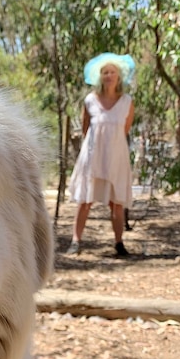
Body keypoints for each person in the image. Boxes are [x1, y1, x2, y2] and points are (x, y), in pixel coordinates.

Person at [67, 53, 136, 256]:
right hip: (93, 157)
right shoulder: (90, 100)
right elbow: (86, 128)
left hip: (116, 157)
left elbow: (125, 129)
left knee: (116, 203)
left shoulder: (127, 101)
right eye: (105, 72)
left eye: (112, 72)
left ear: (119, 76)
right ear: (100, 76)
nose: (109, 76)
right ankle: (75, 241)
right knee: (85, 200)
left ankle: (119, 243)